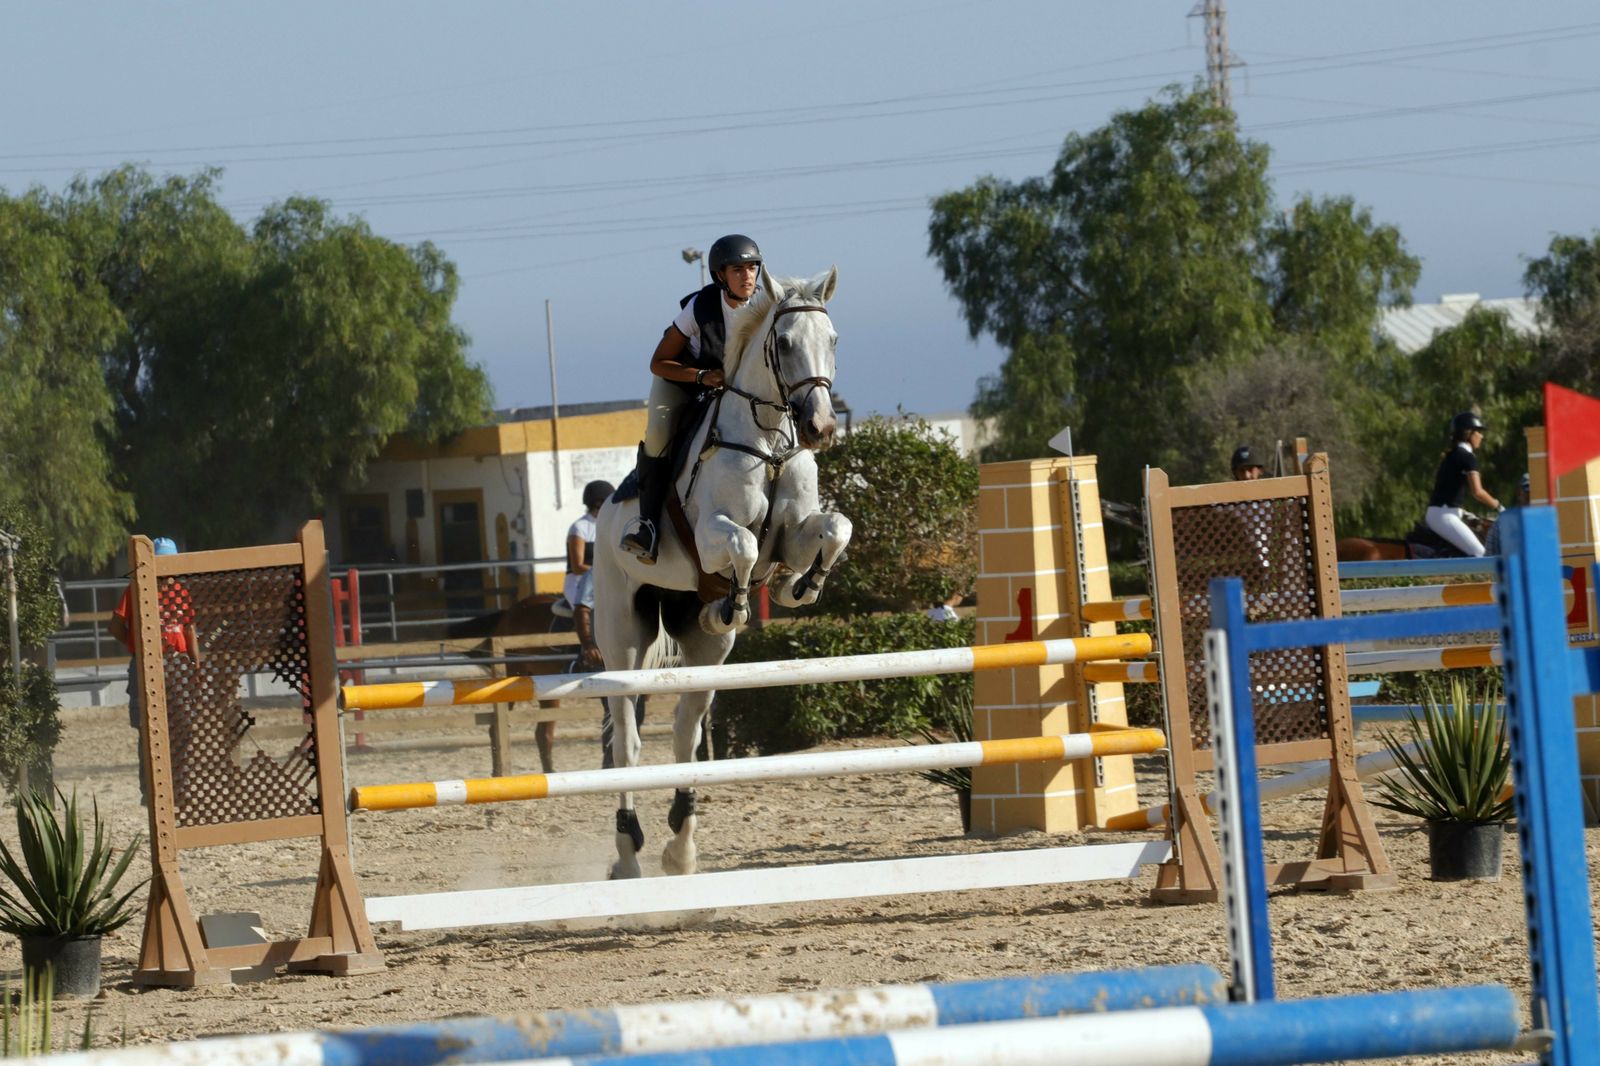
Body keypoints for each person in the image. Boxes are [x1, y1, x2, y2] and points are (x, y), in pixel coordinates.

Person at [619, 233, 764, 563]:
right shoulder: (701, 307)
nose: (747, 276)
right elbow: (659, 362)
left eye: (752, 267)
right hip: (684, 380)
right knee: (657, 436)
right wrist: (700, 376)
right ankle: (647, 527)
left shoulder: (766, 303)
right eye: (738, 270)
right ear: (720, 275)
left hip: (735, 388)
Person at [1424, 412, 1503, 558]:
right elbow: (1477, 492)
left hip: (1444, 512)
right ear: (1469, 433)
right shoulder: (1467, 457)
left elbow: (1449, 491)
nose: (1482, 436)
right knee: (1480, 554)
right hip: (1445, 516)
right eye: (1478, 432)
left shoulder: (1452, 455)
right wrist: (1498, 506)